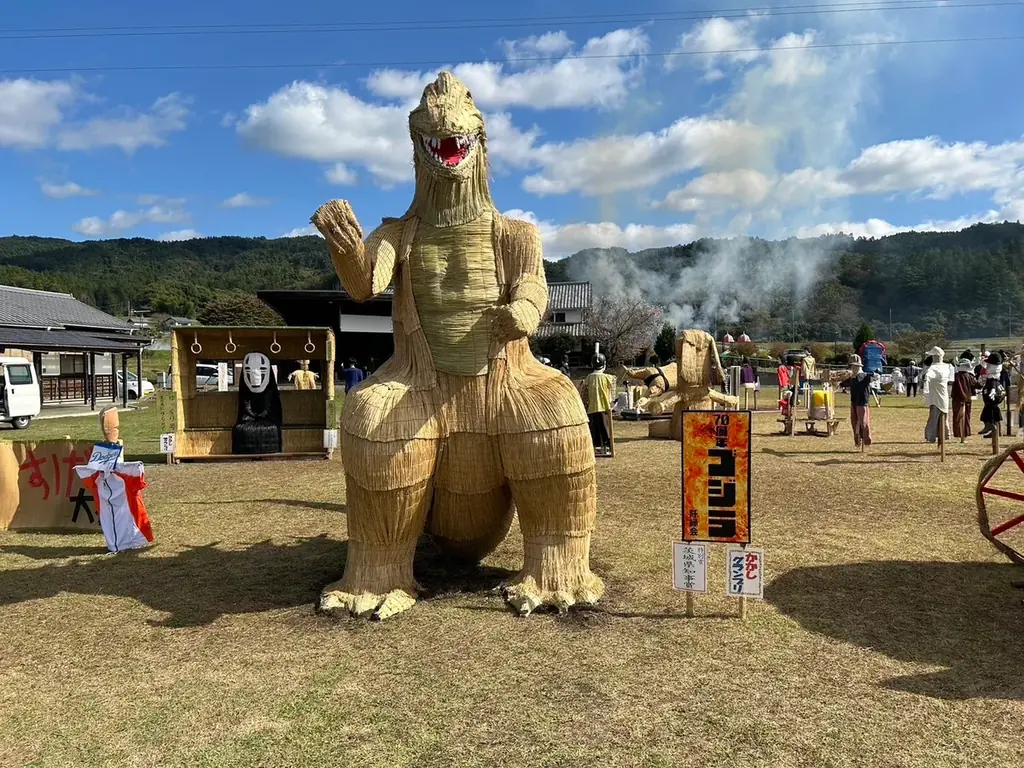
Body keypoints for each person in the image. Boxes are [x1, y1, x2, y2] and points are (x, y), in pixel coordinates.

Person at [581, 352, 615, 457]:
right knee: (605, 429)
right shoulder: (609, 378)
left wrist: (585, 405)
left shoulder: (588, 378)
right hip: (605, 408)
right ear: (604, 364)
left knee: (594, 430)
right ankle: (607, 448)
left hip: (592, 408)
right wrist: (612, 404)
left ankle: (595, 448)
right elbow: (612, 394)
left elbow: (584, 394)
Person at [844, 354, 874, 448]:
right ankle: (857, 441)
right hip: (854, 401)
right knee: (854, 422)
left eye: (854, 367)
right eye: (852, 367)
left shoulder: (865, 376)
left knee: (863, 423)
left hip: (862, 402)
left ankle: (866, 440)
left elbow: (874, 376)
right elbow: (841, 383)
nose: (853, 368)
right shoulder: (852, 378)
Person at [923, 346, 953, 443]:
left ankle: (933, 435)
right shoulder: (946, 367)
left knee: (935, 415)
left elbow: (927, 377)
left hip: (938, 393)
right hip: (940, 393)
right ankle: (944, 434)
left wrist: (926, 389)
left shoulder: (935, 368)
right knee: (940, 414)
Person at [979, 352, 1005, 438]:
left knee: (988, 412)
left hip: (992, 390)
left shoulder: (992, 378)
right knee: (994, 411)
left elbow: (985, 365)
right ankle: (996, 431)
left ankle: (990, 426)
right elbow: (984, 364)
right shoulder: (997, 373)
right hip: (997, 388)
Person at [951, 359, 979, 439]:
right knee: (966, 416)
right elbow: (978, 384)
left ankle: (958, 434)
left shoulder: (955, 376)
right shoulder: (970, 376)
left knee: (957, 417)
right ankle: (965, 433)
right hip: (967, 399)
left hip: (957, 399)